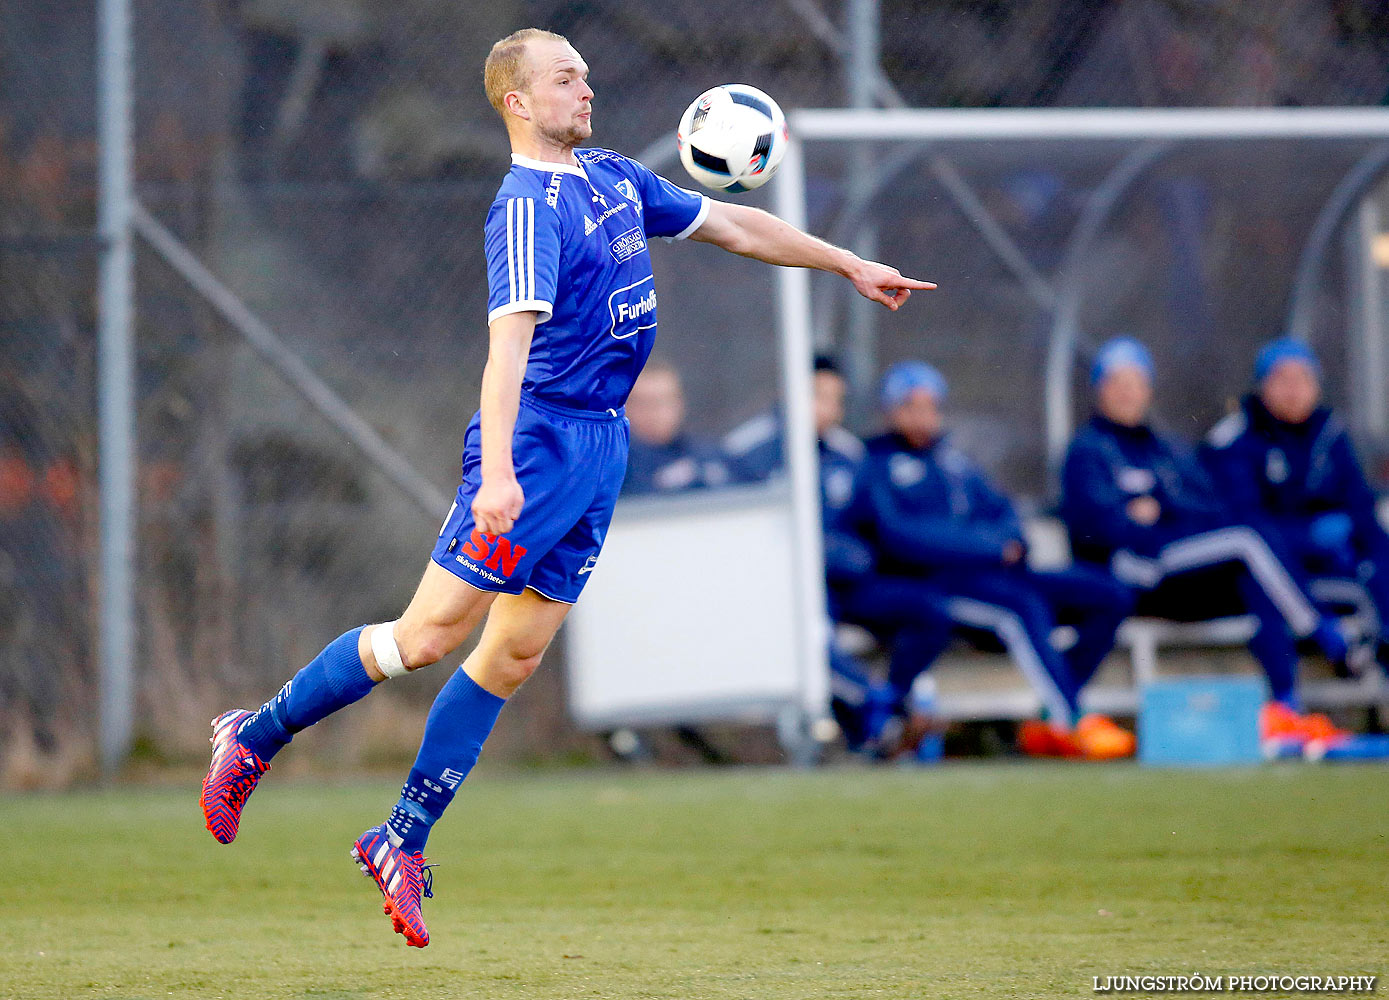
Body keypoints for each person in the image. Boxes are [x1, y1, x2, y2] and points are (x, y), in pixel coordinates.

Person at [200, 27, 934, 948]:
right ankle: (254, 737)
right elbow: (507, 348)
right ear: (516, 99)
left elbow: (733, 224)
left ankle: (399, 838)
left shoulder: (614, 178)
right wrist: (501, 469)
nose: (585, 88)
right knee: (428, 636)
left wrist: (847, 263)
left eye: (586, 72)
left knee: (512, 656)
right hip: (539, 446)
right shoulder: (524, 208)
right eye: (565, 77)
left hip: (600, 447)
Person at [839, 361, 1137, 760]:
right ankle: (1070, 721)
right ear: (892, 411)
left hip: (999, 573)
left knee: (1108, 594)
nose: (925, 416)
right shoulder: (876, 466)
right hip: (940, 584)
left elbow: (1003, 512)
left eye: (932, 406)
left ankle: (1059, 704)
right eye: (913, 406)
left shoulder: (953, 463)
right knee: (1020, 608)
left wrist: (1011, 541)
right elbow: (902, 536)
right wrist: (988, 546)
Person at [1060, 337, 1351, 743]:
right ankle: (1326, 634)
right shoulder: (1087, 452)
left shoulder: (1166, 449)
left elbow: (1208, 507)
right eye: (1116, 383)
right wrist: (1150, 518)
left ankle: (1286, 703)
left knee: (1254, 576)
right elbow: (1100, 528)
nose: (1127, 393)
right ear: (1099, 391)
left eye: (1135, 382)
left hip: (1182, 569)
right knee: (1250, 538)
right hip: (1137, 573)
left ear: (1148, 389)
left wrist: (1158, 505)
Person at [1203, 338, 1389, 671]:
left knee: (1379, 555)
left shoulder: (1330, 433)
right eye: (1282, 380)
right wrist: (1310, 537)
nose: (1294, 390)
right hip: (1266, 569)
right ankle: (1297, 686)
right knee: (1259, 576)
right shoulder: (1235, 438)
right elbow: (1244, 520)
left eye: (1303, 380)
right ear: (1263, 386)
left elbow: (1360, 507)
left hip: (1328, 563)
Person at [620, 358, 731, 495]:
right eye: (646, 403)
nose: (658, 412)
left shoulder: (709, 453)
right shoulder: (615, 467)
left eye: (665, 401)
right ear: (624, 407)